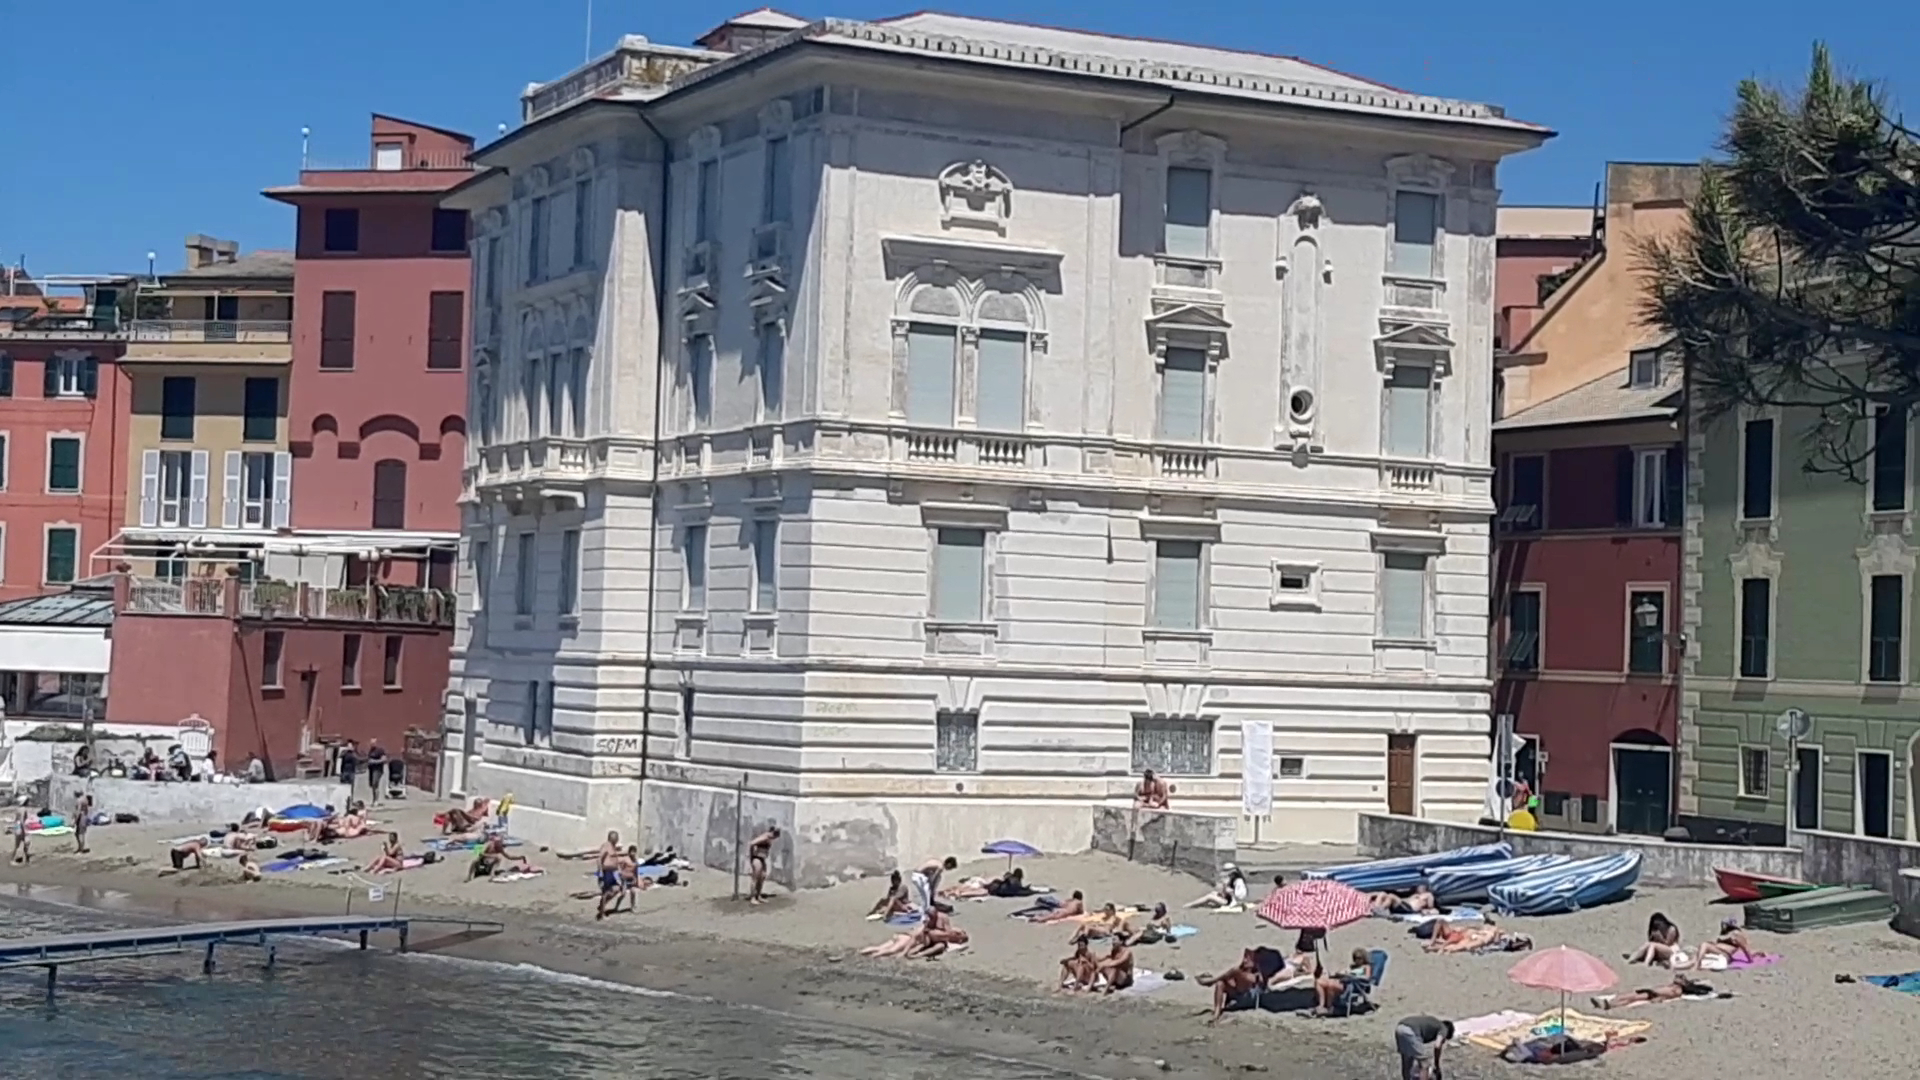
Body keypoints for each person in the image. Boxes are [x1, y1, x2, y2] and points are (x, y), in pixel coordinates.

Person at [1594, 974, 1717, 1009]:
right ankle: (1610, 1002)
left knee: (1631, 998)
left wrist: (1656, 997)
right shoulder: (1675, 986)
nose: (1677, 977)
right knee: (1629, 995)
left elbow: (1665, 994)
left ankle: (1610, 1005)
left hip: (1652, 994)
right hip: (1651, 992)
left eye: (1681, 977)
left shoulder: (1677, 989)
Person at [1312, 948, 1374, 1016]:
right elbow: (1345, 971)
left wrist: (1352, 976)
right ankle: (1321, 1005)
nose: (1357, 960)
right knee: (1319, 982)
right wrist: (1339, 974)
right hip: (1343, 981)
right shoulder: (1353, 966)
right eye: (1356, 958)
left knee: (1331, 985)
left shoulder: (1366, 967)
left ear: (1364, 958)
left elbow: (1366, 978)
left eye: (1359, 958)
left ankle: (1329, 1007)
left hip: (1353, 985)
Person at [1394, 1015, 1452, 1080]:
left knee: (1407, 1063)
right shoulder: (1444, 1028)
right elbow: (1437, 1046)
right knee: (1424, 1063)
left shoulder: (1434, 1022)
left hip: (1400, 1028)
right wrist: (1437, 1065)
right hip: (1410, 1032)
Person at [468, 834, 534, 880]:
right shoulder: (490, 845)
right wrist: (491, 856)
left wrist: (520, 857)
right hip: (483, 861)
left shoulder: (499, 848)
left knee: (498, 858)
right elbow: (480, 854)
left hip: (490, 864)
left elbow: (509, 857)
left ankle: (492, 874)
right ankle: (469, 877)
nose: (500, 845)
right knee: (474, 861)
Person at [594, 831, 625, 919]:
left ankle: (602, 906)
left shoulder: (613, 847)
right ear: (612, 838)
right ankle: (602, 914)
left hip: (613, 872)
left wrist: (619, 870)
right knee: (606, 891)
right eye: (616, 837)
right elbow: (599, 859)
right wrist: (600, 872)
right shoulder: (606, 846)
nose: (618, 839)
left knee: (616, 889)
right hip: (606, 872)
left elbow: (614, 860)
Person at [747, 826, 780, 905]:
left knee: (762, 876)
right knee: (755, 878)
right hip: (757, 858)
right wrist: (752, 857)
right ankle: (753, 897)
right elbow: (752, 843)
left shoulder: (769, 839)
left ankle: (758, 895)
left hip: (762, 858)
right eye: (775, 835)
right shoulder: (765, 837)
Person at [1371, 885, 1436, 916]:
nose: (1419, 888)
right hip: (1404, 905)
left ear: (1425, 888)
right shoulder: (1415, 895)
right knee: (1383, 894)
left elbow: (1431, 907)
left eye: (1421, 887)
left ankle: (1381, 909)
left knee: (1391, 895)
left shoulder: (1429, 895)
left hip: (1410, 909)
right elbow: (1408, 900)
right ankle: (1377, 909)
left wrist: (1425, 910)